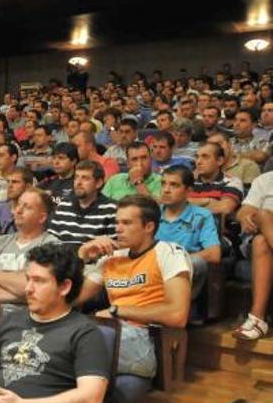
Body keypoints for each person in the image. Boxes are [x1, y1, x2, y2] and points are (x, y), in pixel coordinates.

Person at [0, 243, 109, 402]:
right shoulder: (13, 319)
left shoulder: (84, 332)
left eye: (38, 281)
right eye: (28, 279)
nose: (28, 288)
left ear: (65, 287)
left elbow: (91, 396)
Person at [77, 195, 192, 378]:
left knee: (73, 347)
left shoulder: (169, 253)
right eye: (117, 222)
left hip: (145, 337)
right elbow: (72, 298)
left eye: (127, 223)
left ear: (149, 227)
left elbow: (177, 315)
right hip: (110, 330)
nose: (118, 229)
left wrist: (116, 310)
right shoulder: (111, 257)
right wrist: (81, 257)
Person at [0, 188, 60, 306]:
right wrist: (25, 296)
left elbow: (39, 288)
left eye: (27, 207)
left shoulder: (51, 245)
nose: (18, 210)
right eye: (18, 205)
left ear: (42, 217)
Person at [157, 166, 220, 299]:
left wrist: (174, 261)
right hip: (151, 267)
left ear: (188, 191)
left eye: (174, 185)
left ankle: (176, 308)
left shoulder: (202, 216)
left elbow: (214, 254)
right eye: (163, 184)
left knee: (197, 262)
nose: (166, 190)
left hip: (183, 268)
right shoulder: (151, 213)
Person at [232, 171, 273, 340]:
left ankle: (257, 320)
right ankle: (257, 319)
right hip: (262, 235)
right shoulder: (265, 180)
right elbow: (244, 211)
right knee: (261, 230)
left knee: (262, 235)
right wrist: (246, 218)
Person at [48, 161, 117, 245]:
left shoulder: (111, 209)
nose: (78, 183)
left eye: (85, 178)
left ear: (98, 183)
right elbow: (50, 242)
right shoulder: (63, 205)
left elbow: (114, 247)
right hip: (62, 256)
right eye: (76, 177)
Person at [189, 142, 243, 216]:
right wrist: (208, 201)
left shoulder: (231, 181)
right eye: (197, 157)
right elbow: (172, 203)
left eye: (205, 157)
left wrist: (187, 203)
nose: (198, 162)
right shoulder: (187, 180)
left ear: (219, 161)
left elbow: (225, 208)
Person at [0, 167, 32, 240]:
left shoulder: (35, 211)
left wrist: (0, 239)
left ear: (28, 186)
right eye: (8, 182)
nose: (9, 186)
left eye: (15, 182)